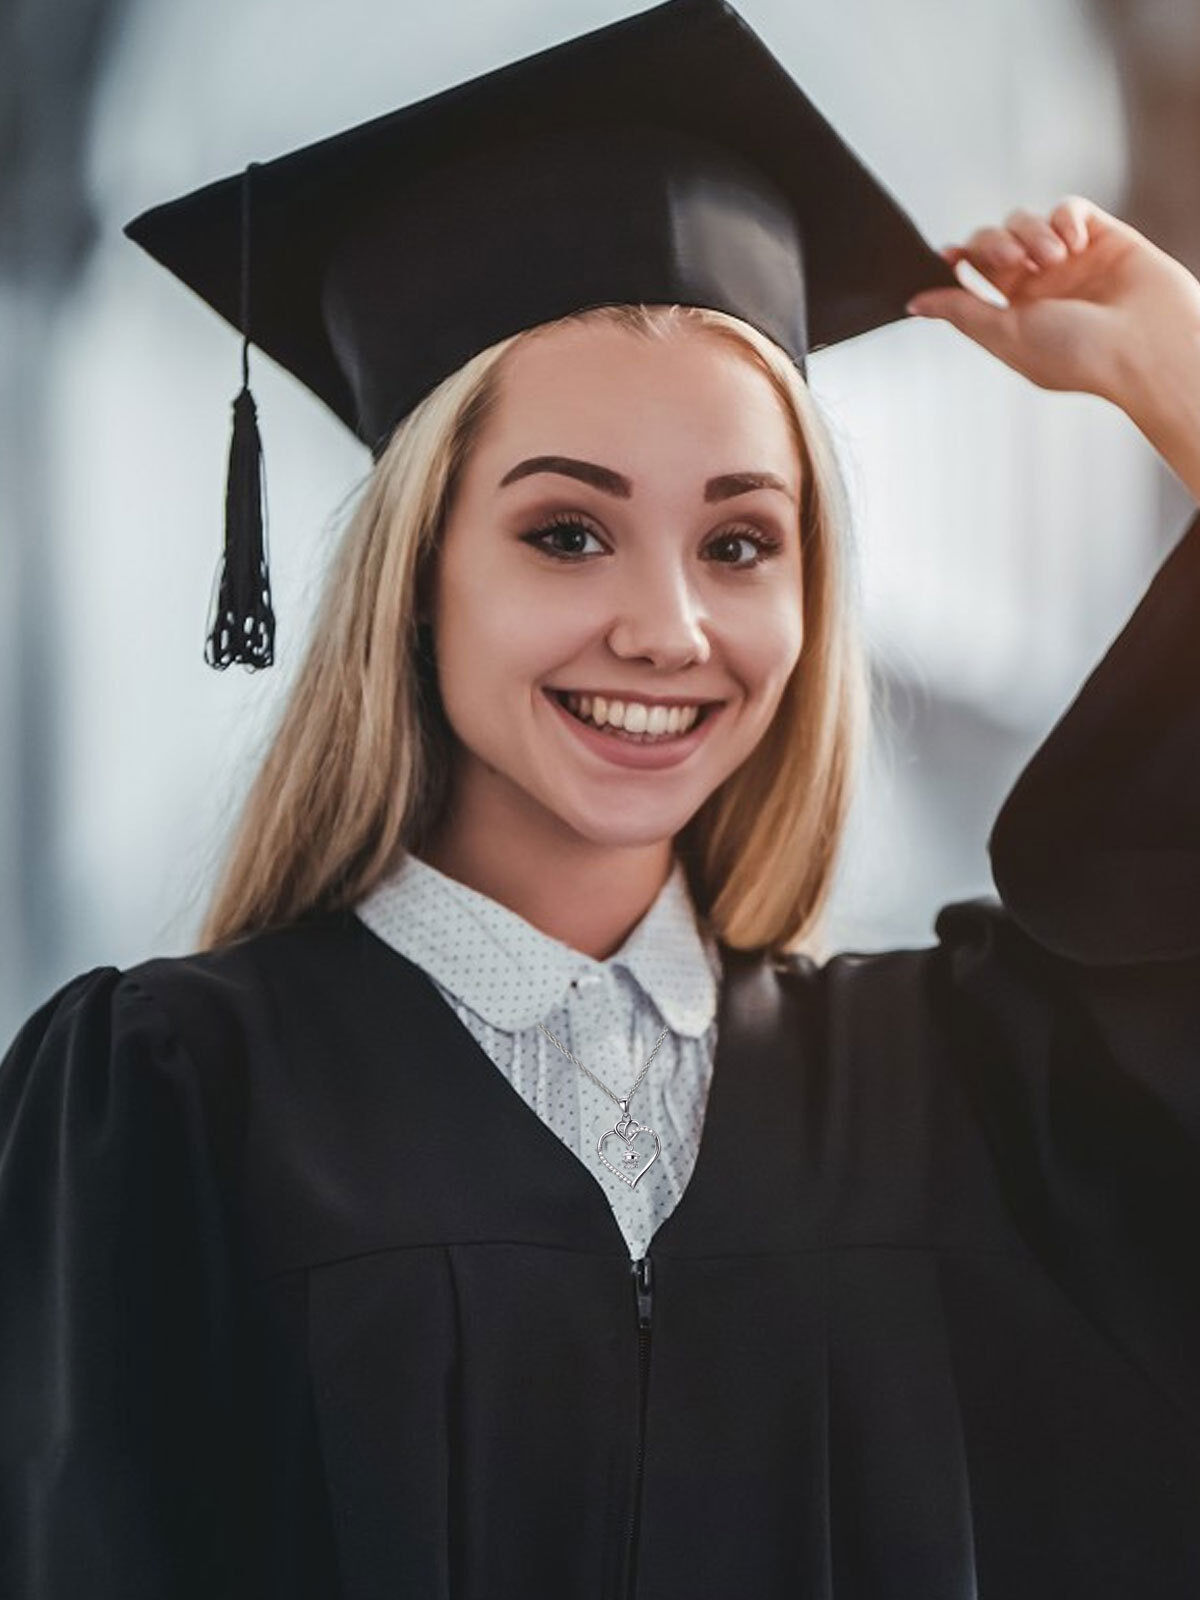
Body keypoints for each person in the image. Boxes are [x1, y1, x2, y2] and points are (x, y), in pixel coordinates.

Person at [3, 1, 1200, 1595]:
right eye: (566, 532)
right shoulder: (164, 1098)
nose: (671, 628)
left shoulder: (972, 1092)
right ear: (416, 578)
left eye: (741, 541)